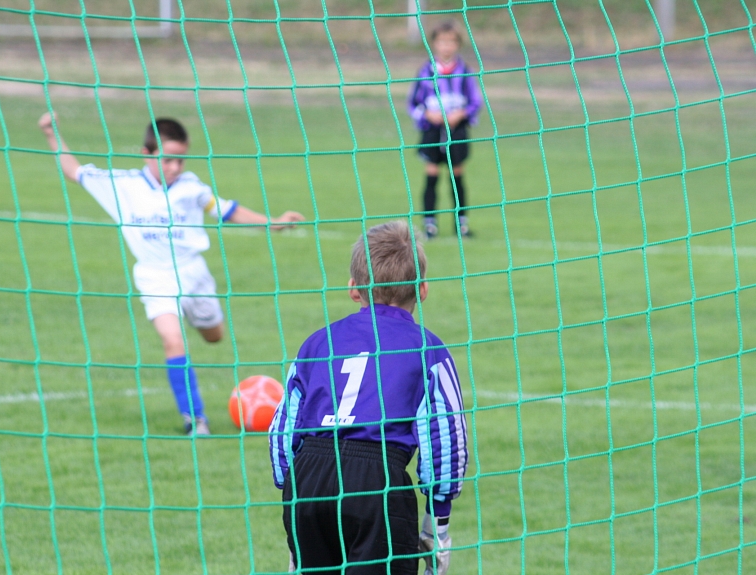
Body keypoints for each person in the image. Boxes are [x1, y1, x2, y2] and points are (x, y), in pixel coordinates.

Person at [38, 112, 305, 436]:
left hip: (194, 273)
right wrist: (51, 134)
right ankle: (196, 420)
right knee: (172, 339)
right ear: (146, 154)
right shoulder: (122, 185)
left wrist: (272, 222)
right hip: (155, 277)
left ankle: (194, 317)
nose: (175, 167)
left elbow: (227, 210)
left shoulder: (192, 188)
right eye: (168, 160)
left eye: (181, 160)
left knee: (214, 336)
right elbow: (74, 171)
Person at [269, 220, 468, 575]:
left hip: (309, 478)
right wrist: (437, 525)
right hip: (376, 481)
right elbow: (446, 440)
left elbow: (283, 432)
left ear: (353, 289)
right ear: (422, 290)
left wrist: (294, 496)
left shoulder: (318, 343)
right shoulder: (429, 350)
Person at [407, 20, 483, 239]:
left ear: (458, 44)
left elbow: (475, 102)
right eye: (442, 42)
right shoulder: (425, 71)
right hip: (432, 130)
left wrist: (461, 113)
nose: (446, 47)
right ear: (434, 44)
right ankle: (429, 224)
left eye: (451, 42)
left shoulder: (465, 71)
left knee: (456, 175)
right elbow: (412, 104)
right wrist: (427, 114)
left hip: (456, 131)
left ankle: (461, 224)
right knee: (431, 174)